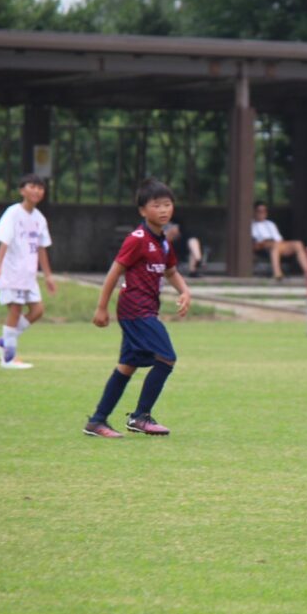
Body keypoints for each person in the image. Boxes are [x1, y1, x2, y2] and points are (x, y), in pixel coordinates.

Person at [84, 178, 192, 438]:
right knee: (166, 357)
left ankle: (97, 421)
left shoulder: (163, 241)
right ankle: (140, 416)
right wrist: (101, 308)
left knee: (127, 366)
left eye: (167, 204)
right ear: (143, 210)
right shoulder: (137, 239)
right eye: (157, 205)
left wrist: (185, 291)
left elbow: (171, 271)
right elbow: (114, 272)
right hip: (135, 310)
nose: (163, 210)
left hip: (146, 310)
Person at [0, 174, 56, 370]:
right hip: (13, 271)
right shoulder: (13, 213)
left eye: (40, 188)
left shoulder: (39, 218)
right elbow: (4, 241)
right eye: (32, 186)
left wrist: (48, 275)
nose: (37, 191)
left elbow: (41, 248)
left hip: (29, 275)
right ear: (22, 190)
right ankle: (8, 359)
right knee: (15, 310)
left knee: (38, 310)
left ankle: (2, 343)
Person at [251, 203, 307, 280]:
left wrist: (282, 246)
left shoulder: (270, 224)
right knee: (275, 245)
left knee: (298, 244)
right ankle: (277, 273)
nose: (262, 213)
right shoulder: (252, 225)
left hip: (277, 244)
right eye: (259, 211)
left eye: (264, 211)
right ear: (254, 212)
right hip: (262, 246)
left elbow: (279, 239)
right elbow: (254, 242)